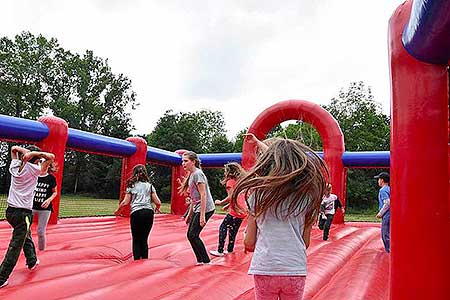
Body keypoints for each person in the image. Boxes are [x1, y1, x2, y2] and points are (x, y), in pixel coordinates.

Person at [230, 138, 328, 300]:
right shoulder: (307, 199)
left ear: (267, 164)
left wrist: (246, 236)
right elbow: (305, 242)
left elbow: (249, 243)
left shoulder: (257, 196)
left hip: (265, 267)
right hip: (294, 268)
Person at [0, 145, 55, 289]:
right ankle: (2, 278)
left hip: (10, 212)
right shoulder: (35, 170)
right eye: (38, 160)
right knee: (15, 246)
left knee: (26, 235)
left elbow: (13, 149)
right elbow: (52, 157)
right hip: (23, 213)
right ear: (36, 161)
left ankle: (32, 260)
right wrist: (34, 153)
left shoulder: (15, 166)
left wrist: (25, 152)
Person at [115, 164, 162, 260]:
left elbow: (125, 202)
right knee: (144, 239)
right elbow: (158, 201)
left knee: (136, 239)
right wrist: (157, 208)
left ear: (134, 173)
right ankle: (144, 260)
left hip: (136, 213)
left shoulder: (131, 186)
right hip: (148, 212)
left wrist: (118, 210)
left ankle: (137, 261)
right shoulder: (150, 186)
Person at [179, 151, 215, 265]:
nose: (183, 163)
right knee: (191, 235)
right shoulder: (191, 175)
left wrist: (202, 215)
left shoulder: (198, 174)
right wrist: (189, 214)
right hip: (197, 207)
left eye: (186, 161)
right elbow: (194, 199)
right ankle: (200, 260)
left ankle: (206, 261)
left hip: (206, 208)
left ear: (193, 162)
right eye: (182, 161)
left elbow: (203, 194)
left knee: (193, 235)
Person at [210, 162, 248, 257]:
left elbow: (231, 196)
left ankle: (220, 250)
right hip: (242, 209)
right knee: (233, 230)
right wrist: (228, 206)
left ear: (229, 171)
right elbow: (239, 196)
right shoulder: (240, 181)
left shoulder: (230, 182)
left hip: (236, 209)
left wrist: (220, 202)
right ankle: (230, 249)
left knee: (223, 227)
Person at [32, 162, 58, 251]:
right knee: (24, 229)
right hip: (31, 207)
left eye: (45, 163)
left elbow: (55, 192)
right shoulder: (33, 175)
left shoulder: (51, 178)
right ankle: (25, 249)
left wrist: (48, 200)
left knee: (40, 231)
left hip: (45, 209)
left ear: (48, 166)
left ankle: (41, 250)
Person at [374, 172, 390, 253]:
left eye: (379, 179)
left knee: (385, 234)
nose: (378, 181)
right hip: (390, 215)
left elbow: (387, 203)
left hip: (386, 215)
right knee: (389, 233)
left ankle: (389, 251)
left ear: (382, 180)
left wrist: (380, 213)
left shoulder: (383, 190)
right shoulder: (389, 189)